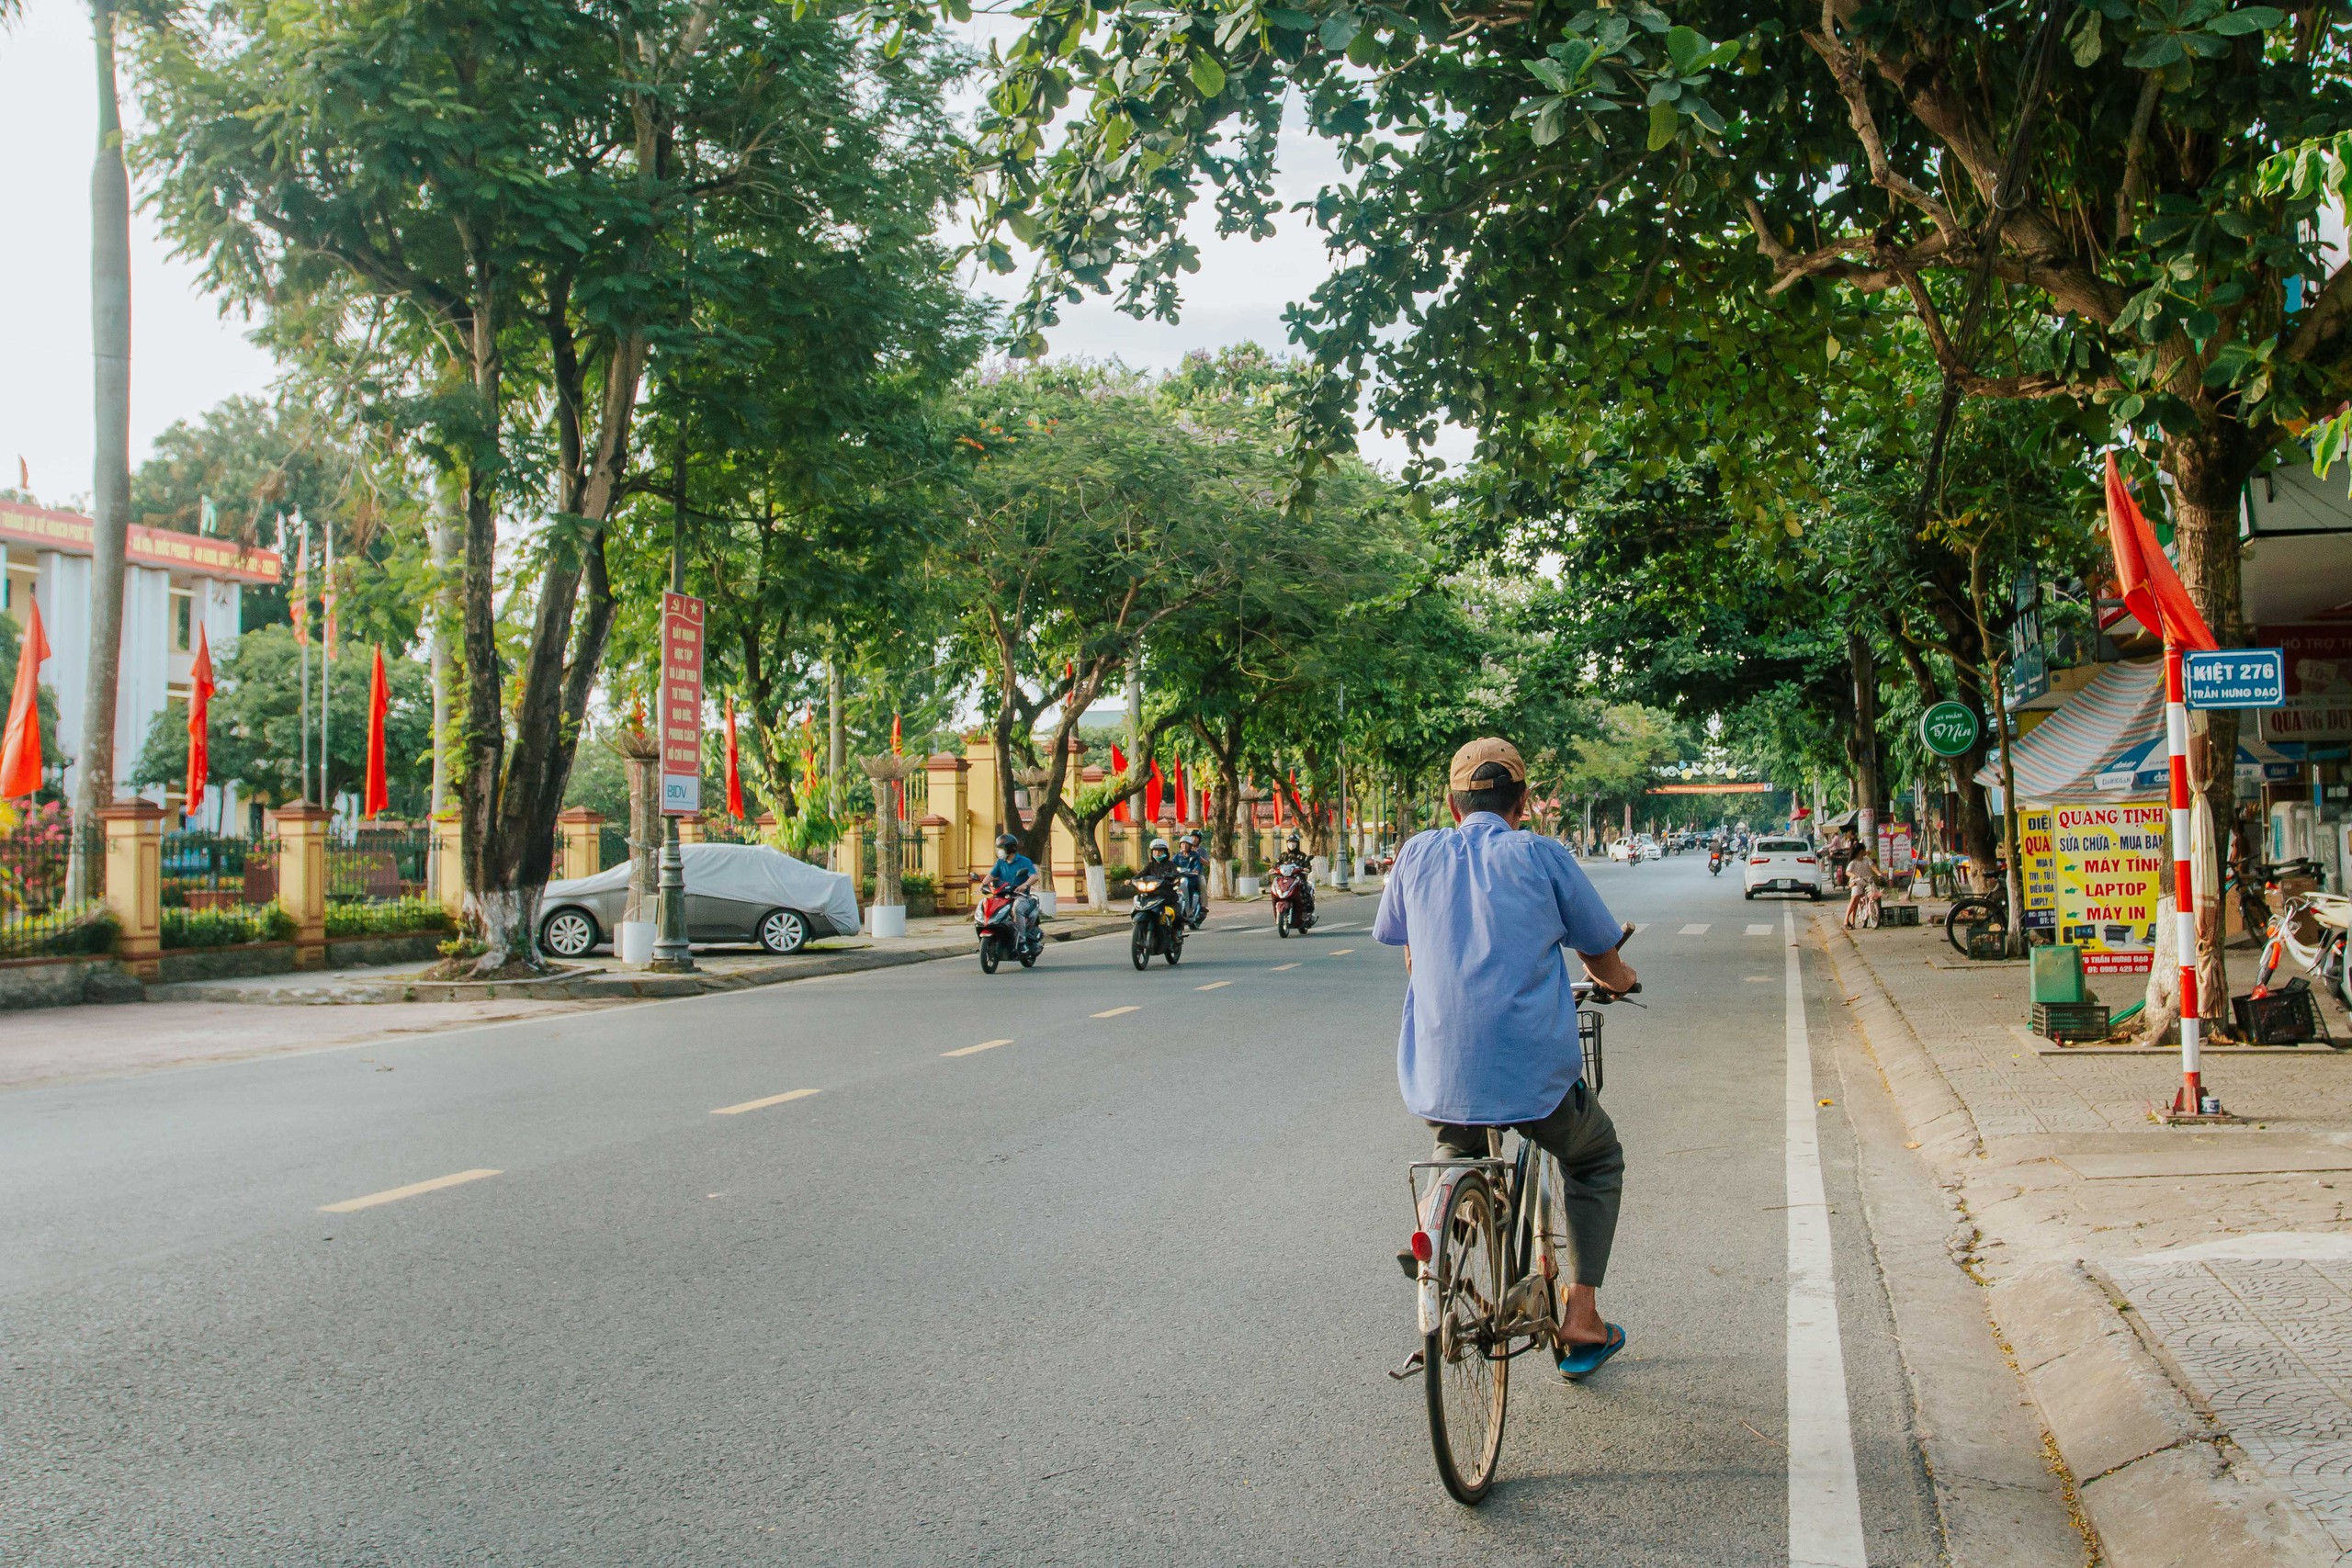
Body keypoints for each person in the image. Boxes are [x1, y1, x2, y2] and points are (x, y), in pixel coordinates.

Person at [1374, 738, 1638, 1381]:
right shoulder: (1542, 854)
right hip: (1534, 1076)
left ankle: (1442, 1223)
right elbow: (1602, 956)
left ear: (1451, 802)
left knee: (1454, 1140)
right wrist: (1622, 980)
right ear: (1524, 802)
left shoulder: (1417, 852)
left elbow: (1402, 940)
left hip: (1442, 1068)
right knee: (1595, 1154)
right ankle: (1581, 1314)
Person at [986, 832, 1041, 947]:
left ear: (1010, 849)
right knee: (987, 905)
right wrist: (982, 884)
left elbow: (1034, 876)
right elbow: (991, 875)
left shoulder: (1024, 861)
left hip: (1020, 897)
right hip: (1003, 896)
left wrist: (1025, 885)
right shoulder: (1000, 862)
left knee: (1017, 908)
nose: (999, 851)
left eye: (1001, 849)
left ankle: (1021, 940)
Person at [1843, 848, 1884, 930]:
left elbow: (1873, 866)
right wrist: (1854, 875)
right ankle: (1846, 920)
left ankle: (1878, 915)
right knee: (1855, 899)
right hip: (1856, 882)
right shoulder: (1853, 862)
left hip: (1868, 880)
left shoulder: (1866, 859)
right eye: (1864, 850)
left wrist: (1879, 874)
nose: (1866, 852)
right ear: (1860, 851)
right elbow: (1847, 872)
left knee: (1875, 894)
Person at [1173, 831, 1208, 920]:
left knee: (1202, 885)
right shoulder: (1178, 855)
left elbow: (1202, 864)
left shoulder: (1199, 852)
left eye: (1196, 838)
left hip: (1194, 875)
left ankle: (1201, 906)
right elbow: (1172, 864)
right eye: (1182, 844)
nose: (1184, 846)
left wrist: (1195, 869)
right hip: (1180, 876)